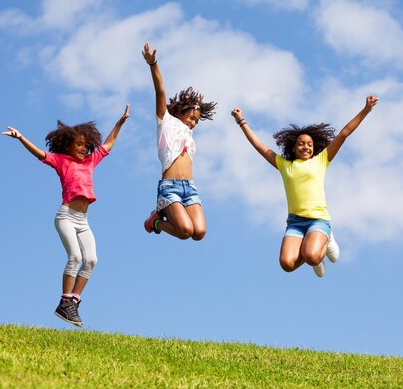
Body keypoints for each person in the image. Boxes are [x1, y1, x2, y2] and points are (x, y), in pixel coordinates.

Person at [2, 105, 129, 326]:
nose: (83, 148)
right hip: (66, 217)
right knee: (76, 257)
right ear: (68, 145)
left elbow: (108, 144)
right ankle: (64, 302)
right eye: (79, 144)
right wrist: (21, 137)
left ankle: (73, 302)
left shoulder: (91, 161)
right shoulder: (61, 161)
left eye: (85, 145)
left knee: (91, 260)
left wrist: (119, 123)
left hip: (83, 220)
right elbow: (40, 154)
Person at [231, 96, 379, 277]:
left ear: (314, 148)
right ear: (293, 148)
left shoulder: (321, 160)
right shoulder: (284, 165)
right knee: (287, 264)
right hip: (295, 222)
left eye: (309, 144)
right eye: (301, 144)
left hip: (318, 219)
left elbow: (343, 134)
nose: (306, 147)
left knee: (311, 256)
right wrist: (241, 122)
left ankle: (325, 241)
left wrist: (366, 110)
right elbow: (259, 145)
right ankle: (314, 255)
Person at [141, 42, 216, 240]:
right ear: (179, 113)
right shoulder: (165, 122)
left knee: (199, 232)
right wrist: (153, 63)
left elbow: (192, 118)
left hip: (189, 187)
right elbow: (160, 92)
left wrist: (198, 105)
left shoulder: (188, 133)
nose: (193, 123)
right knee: (185, 232)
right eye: (191, 118)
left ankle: (162, 217)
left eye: (197, 121)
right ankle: (155, 220)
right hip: (170, 187)